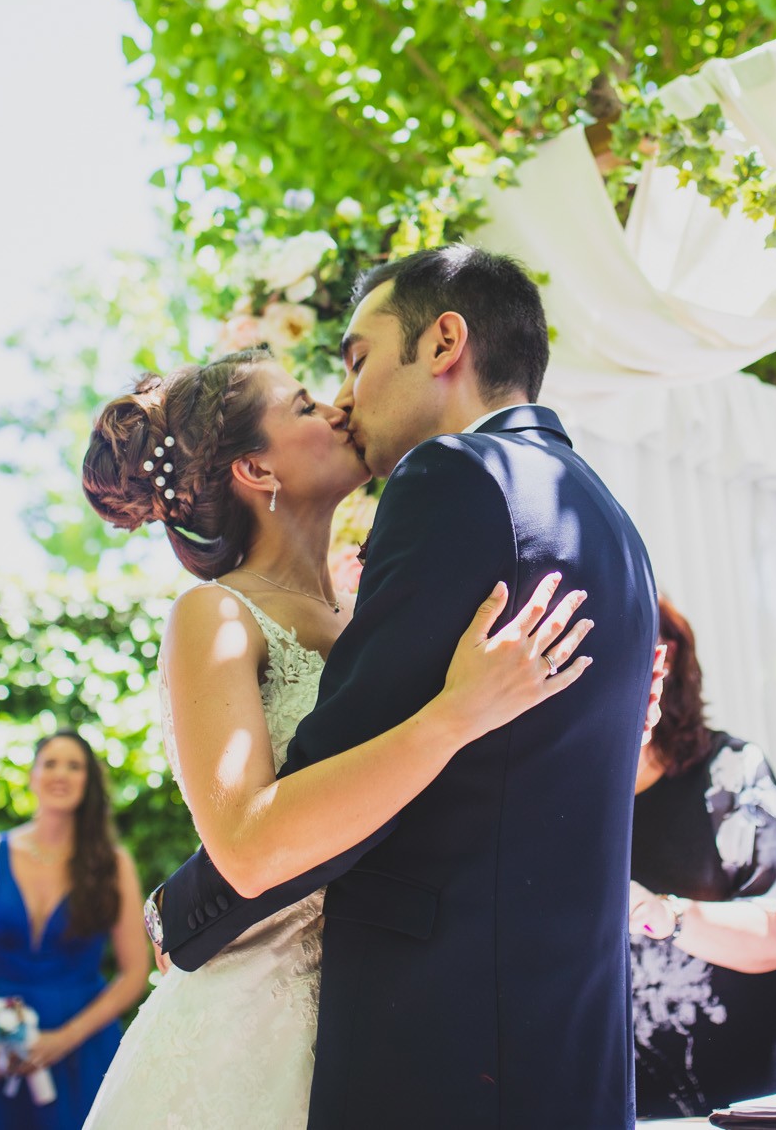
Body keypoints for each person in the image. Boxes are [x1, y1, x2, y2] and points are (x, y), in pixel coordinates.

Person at [122, 244, 660, 1129]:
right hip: (525, 1030)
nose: (341, 399)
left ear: (444, 342)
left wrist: (184, 913)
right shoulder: (605, 517)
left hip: (443, 1037)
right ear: (254, 472)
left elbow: (327, 786)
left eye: (357, 361)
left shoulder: (454, 479)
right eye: (308, 399)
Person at [627, 598, 776, 1118]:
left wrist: (660, 914)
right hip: (635, 1104)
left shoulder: (729, 771)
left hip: (759, 1093)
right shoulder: (561, 796)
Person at [0, 731, 150, 1130]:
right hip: (2, 1044)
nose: (61, 774)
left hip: (83, 1039)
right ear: (31, 775)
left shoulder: (112, 863)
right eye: (50, 763)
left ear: (88, 780)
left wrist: (64, 1038)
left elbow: (134, 974)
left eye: (74, 766)